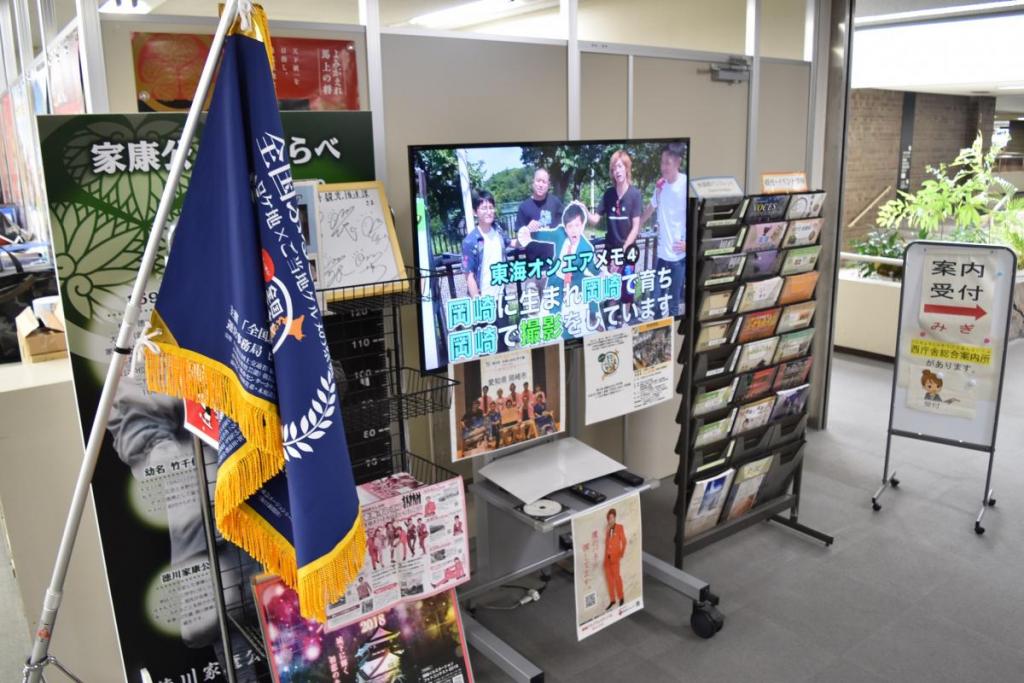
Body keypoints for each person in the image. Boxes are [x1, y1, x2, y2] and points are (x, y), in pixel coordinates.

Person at [518, 202, 603, 331]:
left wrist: (604, 272)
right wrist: (530, 232)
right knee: (552, 317)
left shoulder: (586, 248)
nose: (574, 230)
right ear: (565, 227)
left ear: (582, 225)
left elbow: (594, 269)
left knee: (589, 287)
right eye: (570, 226)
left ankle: (593, 318)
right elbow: (543, 235)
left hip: (575, 284)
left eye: (577, 225)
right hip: (556, 281)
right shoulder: (559, 233)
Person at [641, 142, 688, 318]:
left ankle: (673, 342)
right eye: (662, 162)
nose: (663, 167)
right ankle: (657, 339)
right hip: (662, 256)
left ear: (678, 162)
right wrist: (636, 226)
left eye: (668, 162)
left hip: (678, 259)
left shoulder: (685, 185)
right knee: (655, 301)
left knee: (674, 303)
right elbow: (650, 208)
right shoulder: (661, 186)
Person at [589, 150, 643, 272]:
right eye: (614, 168)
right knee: (610, 289)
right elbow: (594, 220)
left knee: (627, 289)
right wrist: (583, 210)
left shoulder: (635, 194)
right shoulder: (608, 194)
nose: (617, 171)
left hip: (628, 252)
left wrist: (620, 256)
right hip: (609, 251)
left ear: (627, 168)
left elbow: (635, 228)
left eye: (620, 166)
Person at [461, 190, 507, 299]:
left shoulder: (498, 231)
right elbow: (469, 275)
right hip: (483, 298)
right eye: (484, 208)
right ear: (475, 212)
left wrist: (525, 234)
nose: (489, 211)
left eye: (491, 207)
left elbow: (511, 242)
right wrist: (477, 300)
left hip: (501, 295)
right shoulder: (470, 241)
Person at [603, 508, 627, 610]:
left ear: (615, 517)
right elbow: (607, 544)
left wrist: (621, 554)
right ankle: (612, 600)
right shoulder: (607, 529)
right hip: (607, 559)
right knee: (609, 580)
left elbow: (624, 541)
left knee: (617, 578)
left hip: (615, 558)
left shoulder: (620, 527)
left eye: (612, 517)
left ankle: (621, 597)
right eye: (609, 518)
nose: (610, 519)